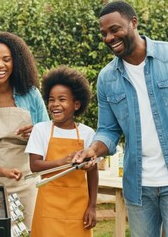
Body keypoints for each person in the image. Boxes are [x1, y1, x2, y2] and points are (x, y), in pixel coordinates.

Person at [72, 0, 168, 237]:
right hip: (138, 187)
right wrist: (93, 151)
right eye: (104, 33)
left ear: (133, 23)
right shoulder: (107, 78)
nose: (109, 38)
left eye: (114, 29)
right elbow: (108, 131)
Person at [0, 32, 49, 229]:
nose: (0, 65)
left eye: (7, 59)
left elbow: (48, 134)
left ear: (16, 62)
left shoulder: (30, 94)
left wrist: (37, 133)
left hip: (27, 180)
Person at [25, 65, 97, 237]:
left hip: (78, 208)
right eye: (51, 99)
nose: (55, 104)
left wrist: (92, 206)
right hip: (48, 207)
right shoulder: (41, 129)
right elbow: (34, 166)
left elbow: (93, 172)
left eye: (62, 99)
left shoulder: (88, 133)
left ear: (76, 104)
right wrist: (63, 161)